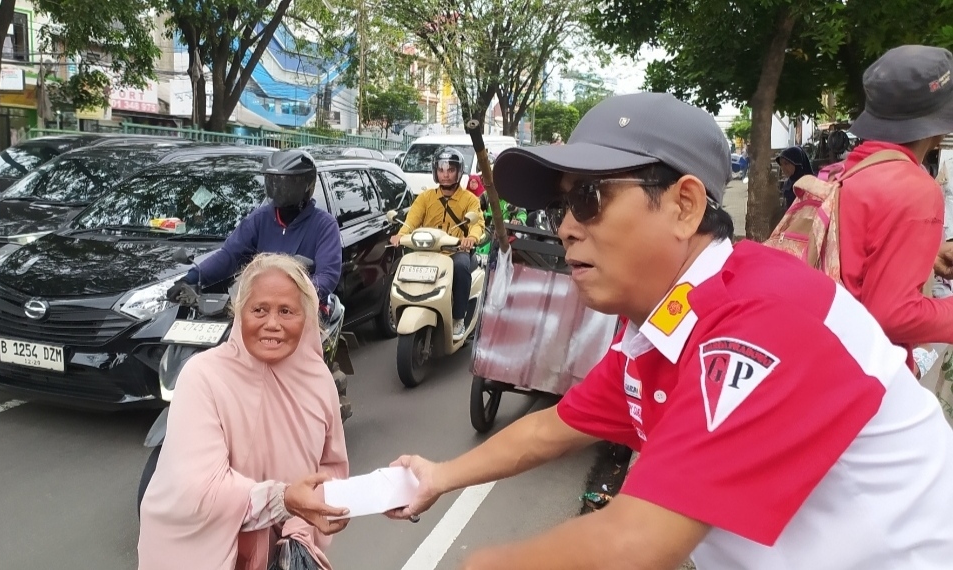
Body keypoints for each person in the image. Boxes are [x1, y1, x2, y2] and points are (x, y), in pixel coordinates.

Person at [386, 92, 953, 570]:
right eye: (561, 206)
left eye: (588, 199)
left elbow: (637, 541)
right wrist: (439, 475)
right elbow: (551, 428)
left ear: (685, 205)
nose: (563, 227)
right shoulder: (667, 325)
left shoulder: (765, 316)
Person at [139, 253, 351, 570]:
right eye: (259, 310)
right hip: (213, 555)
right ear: (239, 313)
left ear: (305, 317)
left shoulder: (318, 380)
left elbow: (331, 468)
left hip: (286, 551)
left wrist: (301, 524)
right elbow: (199, 490)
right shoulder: (203, 376)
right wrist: (284, 500)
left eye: (287, 311)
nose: (273, 324)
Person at [840, 44, 953, 374]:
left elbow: (856, 261)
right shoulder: (914, 189)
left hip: (830, 358)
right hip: (870, 376)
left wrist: (928, 258)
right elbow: (894, 314)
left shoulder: (850, 170)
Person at [166, 149, 342, 307]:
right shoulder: (259, 219)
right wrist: (191, 278)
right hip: (260, 304)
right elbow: (229, 255)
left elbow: (327, 275)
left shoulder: (324, 225)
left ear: (306, 185)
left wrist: (299, 293)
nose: (278, 188)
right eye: (273, 181)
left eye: (286, 183)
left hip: (305, 308)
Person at [390, 146, 485, 339]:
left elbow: (478, 223)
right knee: (401, 263)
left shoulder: (470, 199)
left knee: (461, 267)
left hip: (456, 251)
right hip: (428, 250)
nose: (446, 175)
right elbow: (411, 220)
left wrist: (471, 239)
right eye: (441, 170)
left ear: (459, 172)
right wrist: (400, 235)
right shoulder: (425, 198)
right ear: (435, 172)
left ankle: (458, 318)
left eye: (450, 170)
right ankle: (398, 310)